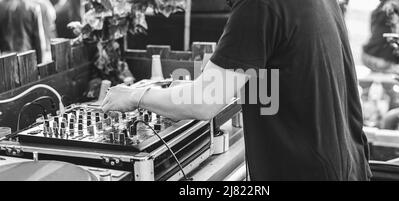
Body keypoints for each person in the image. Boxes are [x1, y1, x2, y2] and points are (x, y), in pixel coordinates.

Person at [102, 0, 372, 181]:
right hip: (346, 167)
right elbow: (285, 78)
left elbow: (203, 103)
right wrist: (178, 95)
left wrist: (136, 96)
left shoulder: (257, 6)